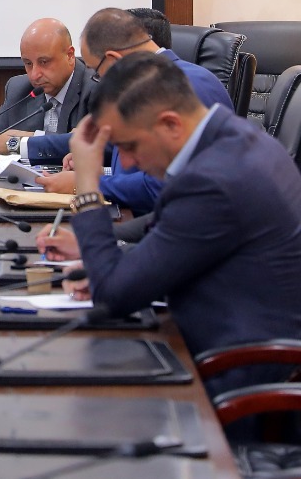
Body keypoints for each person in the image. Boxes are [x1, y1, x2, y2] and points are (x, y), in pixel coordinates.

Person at [53, 52, 301, 398]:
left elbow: (113, 295)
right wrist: (106, 251)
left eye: (129, 146)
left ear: (170, 124)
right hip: (216, 343)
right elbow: (173, 229)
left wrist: (88, 187)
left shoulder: (213, 180)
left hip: (231, 380)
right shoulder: (237, 138)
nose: (127, 162)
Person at [29, 8, 233, 214]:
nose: (99, 81)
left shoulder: (188, 84)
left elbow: (167, 186)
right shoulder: (148, 84)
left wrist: (88, 184)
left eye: (97, 72)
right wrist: (87, 158)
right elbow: (121, 153)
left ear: (114, 60)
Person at [0, 18, 93, 149]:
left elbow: (83, 143)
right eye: (28, 63)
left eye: (44, 62)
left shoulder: (95, 89)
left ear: (69, 55)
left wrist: (20, 141)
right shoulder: (20, 89)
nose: (34, 75)